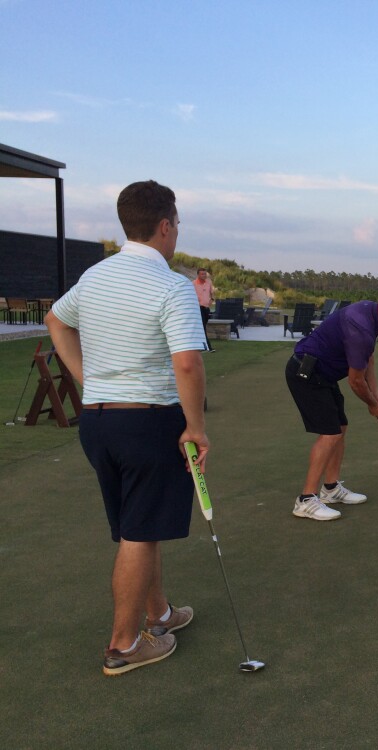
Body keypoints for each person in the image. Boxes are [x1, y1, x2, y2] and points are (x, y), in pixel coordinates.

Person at [45, 180, 209, 676]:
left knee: (139, 523)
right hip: (148, 422)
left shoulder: (95, 276)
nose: (176, 231)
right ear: (164, 226)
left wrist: (85, 378)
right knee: (138, 531)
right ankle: (123, 645)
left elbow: (56, 319)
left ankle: (157, 613)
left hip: (98, 424)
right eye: (176, 223)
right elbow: (186, 364)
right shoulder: (173, 286)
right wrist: (197, 427)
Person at [285, 293, 378, 521]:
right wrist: (373, 405)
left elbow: (369, 358)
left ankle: (331, 488)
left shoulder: (370, 312)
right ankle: (305, 500)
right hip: (306, 373)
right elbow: (355, 381)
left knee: (340, 427)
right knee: (330, 432)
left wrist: (376, 392)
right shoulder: (361, 327)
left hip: (322, 375)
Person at [193, 267, 215, 352]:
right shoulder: (193, 284)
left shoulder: (209, 283)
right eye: (202, 274)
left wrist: (212, 300)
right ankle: (208, 347)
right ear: (198, 274)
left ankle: (199, 346)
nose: (204, 275)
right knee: (202, 327)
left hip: (206, 308)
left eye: (205, 274)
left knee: (202, 327)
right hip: (198, 308)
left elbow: (212, 294)